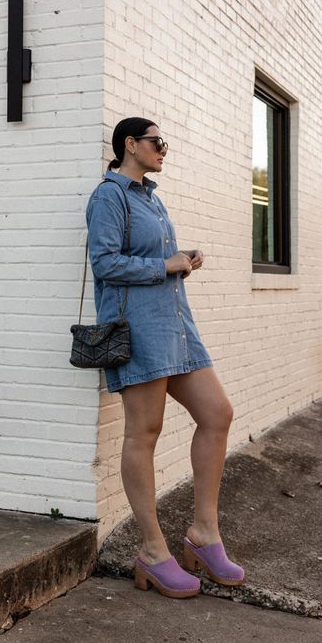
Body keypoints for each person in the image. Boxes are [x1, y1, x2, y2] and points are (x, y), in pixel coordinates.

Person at [85, 117, 244, 598]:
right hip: (139, 330)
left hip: (176, 325)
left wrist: (181, 260)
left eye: (165, 143)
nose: (164, 149)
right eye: (157, 142)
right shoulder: (107, 196)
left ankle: (204, 533)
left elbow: (152, 260)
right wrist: (164, 264)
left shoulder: (151, 196)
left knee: (217, 413)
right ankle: (154, 551)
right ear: (130, 145)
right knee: (144, 432)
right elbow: (105, 262)